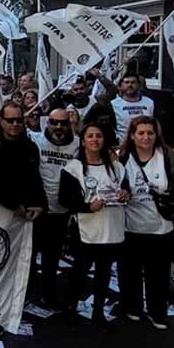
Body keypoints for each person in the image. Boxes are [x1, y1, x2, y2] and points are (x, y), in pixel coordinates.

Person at [117, 116, 174, 330]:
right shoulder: (122, 157)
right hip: (130, 227)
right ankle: (132, 307)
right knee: (129, 272)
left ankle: (157, 311)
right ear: (132, 135)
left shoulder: (166, 155)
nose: (146, 137)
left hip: (160, 227)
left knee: (158, 274)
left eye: (150, 133)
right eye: (140, 133)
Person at [59, 123, 130, 327]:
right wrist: (87, 207)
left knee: (104, 272)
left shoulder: (117, 167)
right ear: (83, 141)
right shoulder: (73, 168)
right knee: (80, 271)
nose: (94, 140)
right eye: (90, 136)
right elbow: (64, 199)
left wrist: (125, 194)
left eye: (98, 136)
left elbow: (126, 190)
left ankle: (98, 312)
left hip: (111, 227)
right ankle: (71, 307)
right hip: (86, 228)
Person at [27, 106, 80, 310]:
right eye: (54, 122)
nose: (58, 127)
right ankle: (25, 294)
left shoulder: (78, 144)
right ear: (46, 123)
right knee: (29, 257)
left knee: (52, 258)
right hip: (37, 210)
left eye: (64, 123)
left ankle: (48, 295)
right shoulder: (35, 139)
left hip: (61, 212)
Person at [0, 102, 46, 220]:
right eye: (10, 121)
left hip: (28, 214)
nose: (15, 124)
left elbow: (35, 179)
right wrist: (15, 206)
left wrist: (40, 205)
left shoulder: (31, 147)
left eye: (18, 120)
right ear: (1, 121)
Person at [110, 72, 154, 142]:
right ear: (121, 85)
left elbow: (155, 124)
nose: (130, 85)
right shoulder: (113, 104)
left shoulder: (150, 102)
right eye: (127, 82)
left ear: (139, 85)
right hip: (123, 144)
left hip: (145, 143)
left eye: (133, 82)